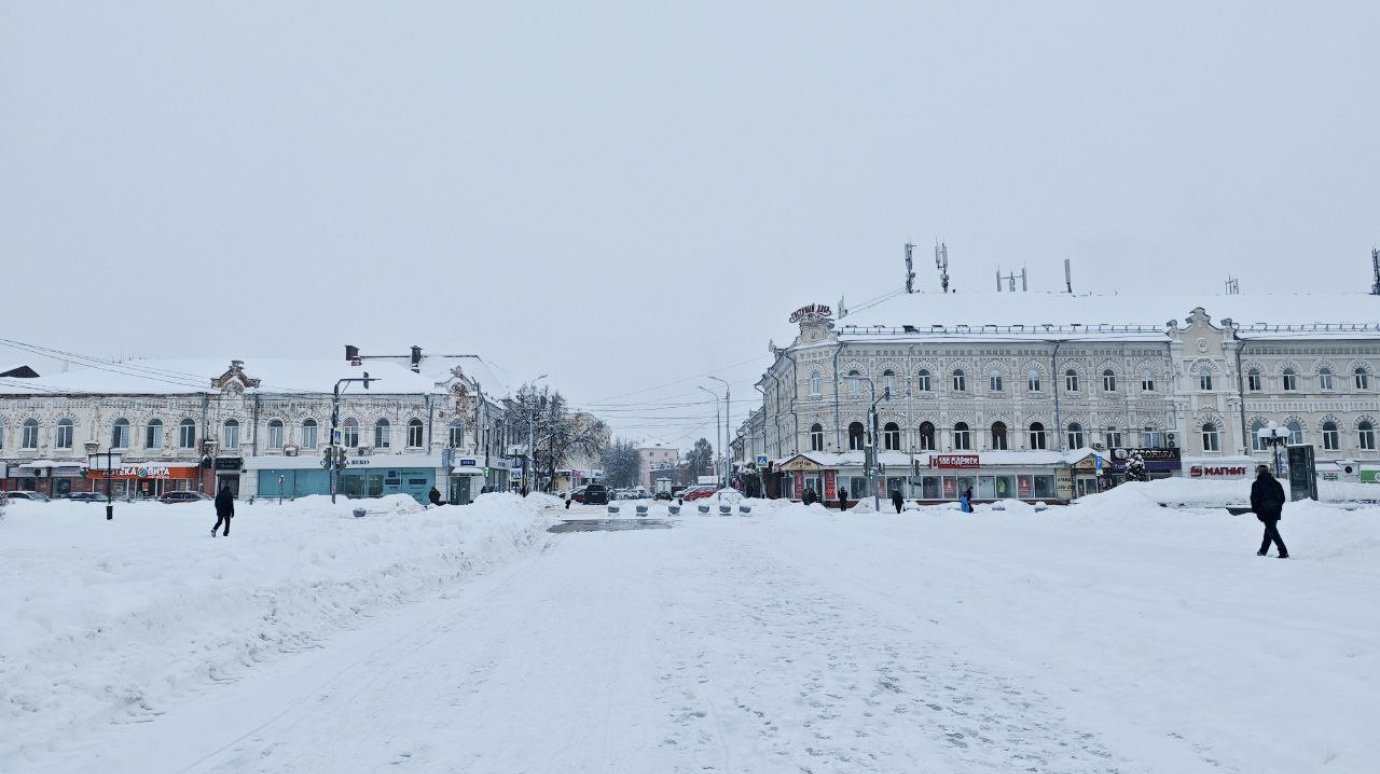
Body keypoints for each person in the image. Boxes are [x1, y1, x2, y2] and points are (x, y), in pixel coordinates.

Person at [1250, 464, 1289, 558]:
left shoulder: (1256, 484)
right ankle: (1263, 551)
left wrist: (1257, 510)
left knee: (1272, 530)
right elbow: (1282, 498)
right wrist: (1277, 506)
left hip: (1264, 511)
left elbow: (1254, 499)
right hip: (1275, 510)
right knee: (1269, 530)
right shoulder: (1276, 483)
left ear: (1258, 472)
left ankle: (1283, 551)